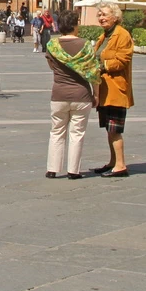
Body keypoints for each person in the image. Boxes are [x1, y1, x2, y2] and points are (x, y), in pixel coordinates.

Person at [43, 10, 100, 180]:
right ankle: (73, 170)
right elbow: (93, 73)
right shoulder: (86, 45)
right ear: (75, 25)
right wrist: (96, 95)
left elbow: (52, 66)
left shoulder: (52, 46)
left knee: (56, 131)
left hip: (59, 93)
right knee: (77, 133)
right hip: (81, 94)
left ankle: (52, 169)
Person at [93, 3, 134, 178]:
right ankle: (113, 162)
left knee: (115, 130)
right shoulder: (105, 36)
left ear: (115, 17)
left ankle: (120, 165)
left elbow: (123, 60)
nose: (101, 17)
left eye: (105, 15)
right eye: (100, 14)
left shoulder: (122, 35)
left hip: (116, 89)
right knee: (109, 129)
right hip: (104, 90)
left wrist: (102, 65)